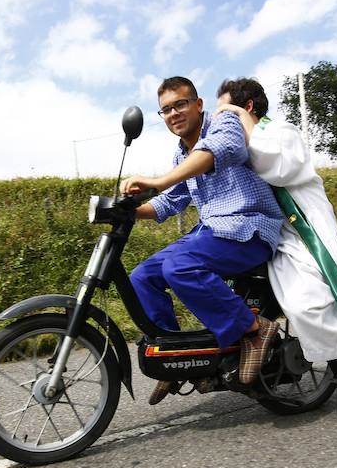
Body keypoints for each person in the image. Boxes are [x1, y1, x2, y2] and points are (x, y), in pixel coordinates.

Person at [119, 76, 285, 405]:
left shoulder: (223, 122)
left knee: (180, 267)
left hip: (248, 227)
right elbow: (170, 202)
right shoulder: (182, 155)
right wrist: (127, 212)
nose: (173, 113)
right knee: (141, 277)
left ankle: (254, 330)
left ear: (198, 105)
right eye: (166, 109)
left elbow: (222, 150)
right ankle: (177, 359)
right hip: (211, 230)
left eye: (180, 104)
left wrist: (157, 180)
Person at [215, 77, 337, 420]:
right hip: (263, 231)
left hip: (302, 230)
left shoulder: (281, 131)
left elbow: (279, 169)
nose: (220, 119)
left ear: (246, 107)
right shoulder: (237, 141)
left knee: (304, 303)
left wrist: (243, 126)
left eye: (227, 111)